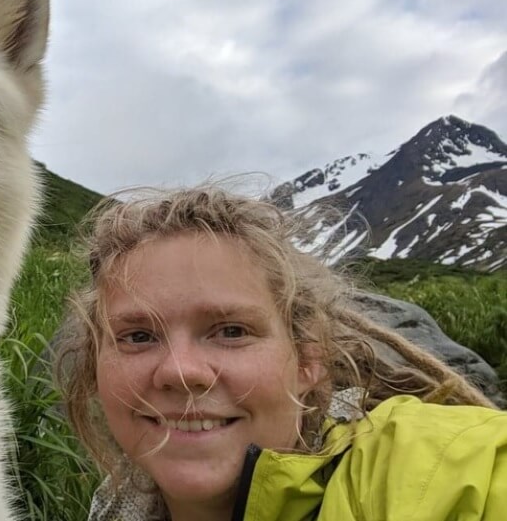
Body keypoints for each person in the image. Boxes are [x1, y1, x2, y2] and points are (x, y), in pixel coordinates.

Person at [54, 186, 507, 521]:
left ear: (309, 359)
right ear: (95, 368)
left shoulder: (427, 468)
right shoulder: (114, 507)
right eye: (137, 336)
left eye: (231, 331)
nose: (181, 371)